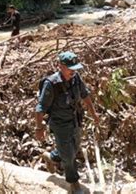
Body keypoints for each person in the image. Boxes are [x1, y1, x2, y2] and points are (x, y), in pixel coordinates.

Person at [35, 51, 99, 194]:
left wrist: (94, 114)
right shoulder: (51, 84)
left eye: (75, 68)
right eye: (70, 68)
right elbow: (40, 108)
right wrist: (39, 128)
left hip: (75, 121)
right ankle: (74, 184)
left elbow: (85, 94)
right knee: (69, 156)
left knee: (74, 149)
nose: (73, 71)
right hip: (60, 125)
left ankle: (51, 157)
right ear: (60, 66)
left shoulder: (76, 78)